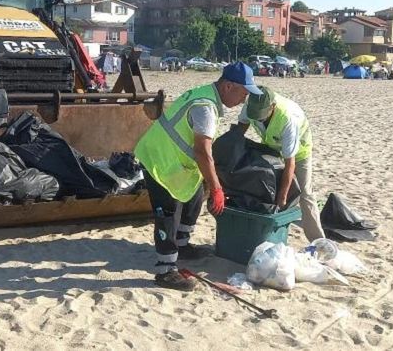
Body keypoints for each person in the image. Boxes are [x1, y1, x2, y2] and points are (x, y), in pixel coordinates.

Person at [134, 62, 260, 291]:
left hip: (172, 159)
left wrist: (210, 184)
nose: (244, 99)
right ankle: (165, 270)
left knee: (194, 196)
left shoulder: (205, 94)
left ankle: (182, 246)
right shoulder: (205, 106)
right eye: (244, 93)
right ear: (229, 86)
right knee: (167, 212)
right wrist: (218, 187)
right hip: (158, 159)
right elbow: (203, 151)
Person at [238, 86, 325, 243]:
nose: (258, 119)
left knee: (304, 193)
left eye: (261, 117)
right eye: (255, 116)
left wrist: (282, 198)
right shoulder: (251, 106)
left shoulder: (287, 119)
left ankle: (318, 240)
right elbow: (240, 129)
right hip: (272, 146)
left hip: (298, 153)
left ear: (272, 107)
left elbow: (290, 163)